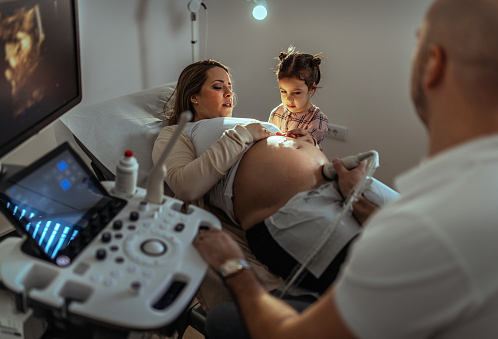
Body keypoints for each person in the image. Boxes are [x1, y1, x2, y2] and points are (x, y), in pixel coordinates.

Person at [194, 0, 498, 337]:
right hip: (327, 199)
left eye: (417, 42)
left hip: (294, 229)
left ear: (433, 65)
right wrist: (357, 198)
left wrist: (232, 265)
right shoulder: (467, 192)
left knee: (225, 322)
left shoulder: (428, 229)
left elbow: (291, 334)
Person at [153, 60, 398, 299]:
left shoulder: (242, 121)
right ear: (193, 96)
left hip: (340, 185)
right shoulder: (178, 132)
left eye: (230, 86)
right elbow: (185, 186)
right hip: (290, 212)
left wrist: (306, 143)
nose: (230, 93)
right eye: (218, 87)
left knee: (417, 239)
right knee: (380, 282)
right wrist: (242, 135)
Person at [268, 46, 329, 150]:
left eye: (296, 93)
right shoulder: (277, 113)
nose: (289, 99)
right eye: (283, 91)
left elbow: (311, 145)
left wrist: (308, 141)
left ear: (312, 88)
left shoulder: (317, 118)